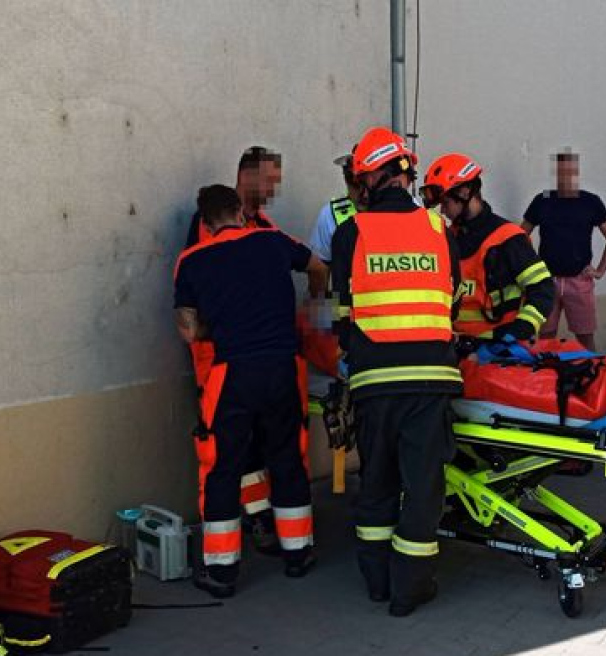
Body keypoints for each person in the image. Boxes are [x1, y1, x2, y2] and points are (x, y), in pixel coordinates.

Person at [330, 127, 463, 617]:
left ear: (373, 178)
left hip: (372, 384)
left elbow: (343, 314)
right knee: (423, 486)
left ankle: (377, 581)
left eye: (359, 178)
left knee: (378, 483)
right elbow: (453, 298)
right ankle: (410, 587)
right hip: (429, 382)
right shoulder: (438, 231)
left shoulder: (351, 234)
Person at [174, 185, 326, 597]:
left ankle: (222, 573)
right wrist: (311, 307)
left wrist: (220, 325)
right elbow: (318, 267)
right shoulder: (273, 241)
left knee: (223, 466)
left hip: (232, 372)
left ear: (205, 224)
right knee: (287, 457)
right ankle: (298, 554)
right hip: (284, 366)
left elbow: (188, 329)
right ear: (241, 211)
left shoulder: (191, 261)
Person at [184, 147, 285, 553]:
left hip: (254, 358)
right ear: (245, 177)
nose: (273, 190)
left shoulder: (262, 225)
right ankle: (230, 540)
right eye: (269, 180)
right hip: (218, 363)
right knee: (228, 453)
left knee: (256, 446)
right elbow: (206, 289)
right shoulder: (209, 226)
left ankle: (258, 517)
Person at [420, 153, 554, 342]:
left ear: (465, 192)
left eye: (446, 203)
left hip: (498, 353)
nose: (442, 211)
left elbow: (543, 289)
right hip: (458, 350)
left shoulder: (509, 238)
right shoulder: (447, 239)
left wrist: (520, 330)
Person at [522, 150, 606, 351]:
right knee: (546, 335)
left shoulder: (590, 201)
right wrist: (532, 268)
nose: (565, 177)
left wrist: (600, 270)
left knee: (585, 336)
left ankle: (592, 373)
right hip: (547, 280)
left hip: (579, 280)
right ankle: (547, 376)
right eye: (561, 172)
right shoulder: (543, 200)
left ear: (576, 173)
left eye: (570, 172)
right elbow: (520, 235)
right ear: (556, 173)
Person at [306, 150, 364, 296]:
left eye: (365, 181)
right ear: (345, 180)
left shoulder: (407, 208)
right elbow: (319, 276)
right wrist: (329, 317)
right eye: (354, 183)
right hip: (349, 311)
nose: (362, 192)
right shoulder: (330, 214)